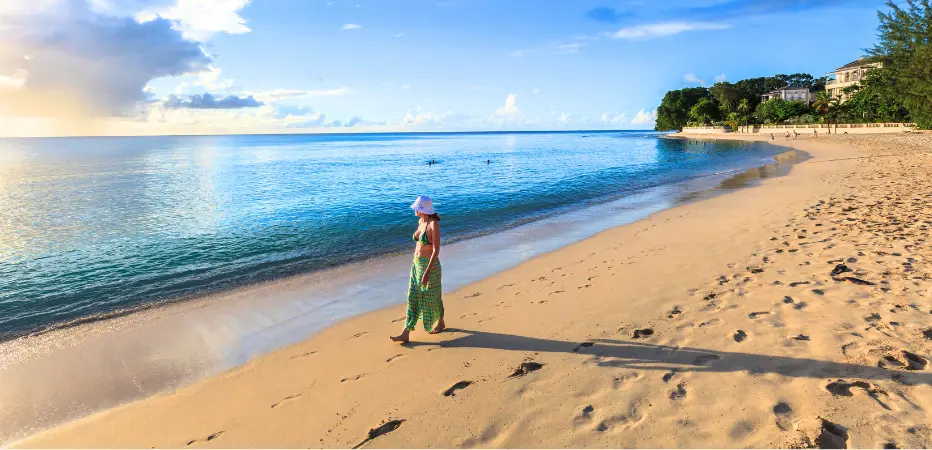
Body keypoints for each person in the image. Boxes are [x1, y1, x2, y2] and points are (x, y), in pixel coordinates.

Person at [391, 195, 445, 343]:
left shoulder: (434, 224)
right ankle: (406, 332)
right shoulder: (421, 221)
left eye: (417, 207)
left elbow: (436, 250)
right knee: (413, 297)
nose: (414, 209)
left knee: (433, 298)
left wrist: (427, 272)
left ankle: (441, 322)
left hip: (430, 267)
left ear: (423, 209)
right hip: (416, 265)